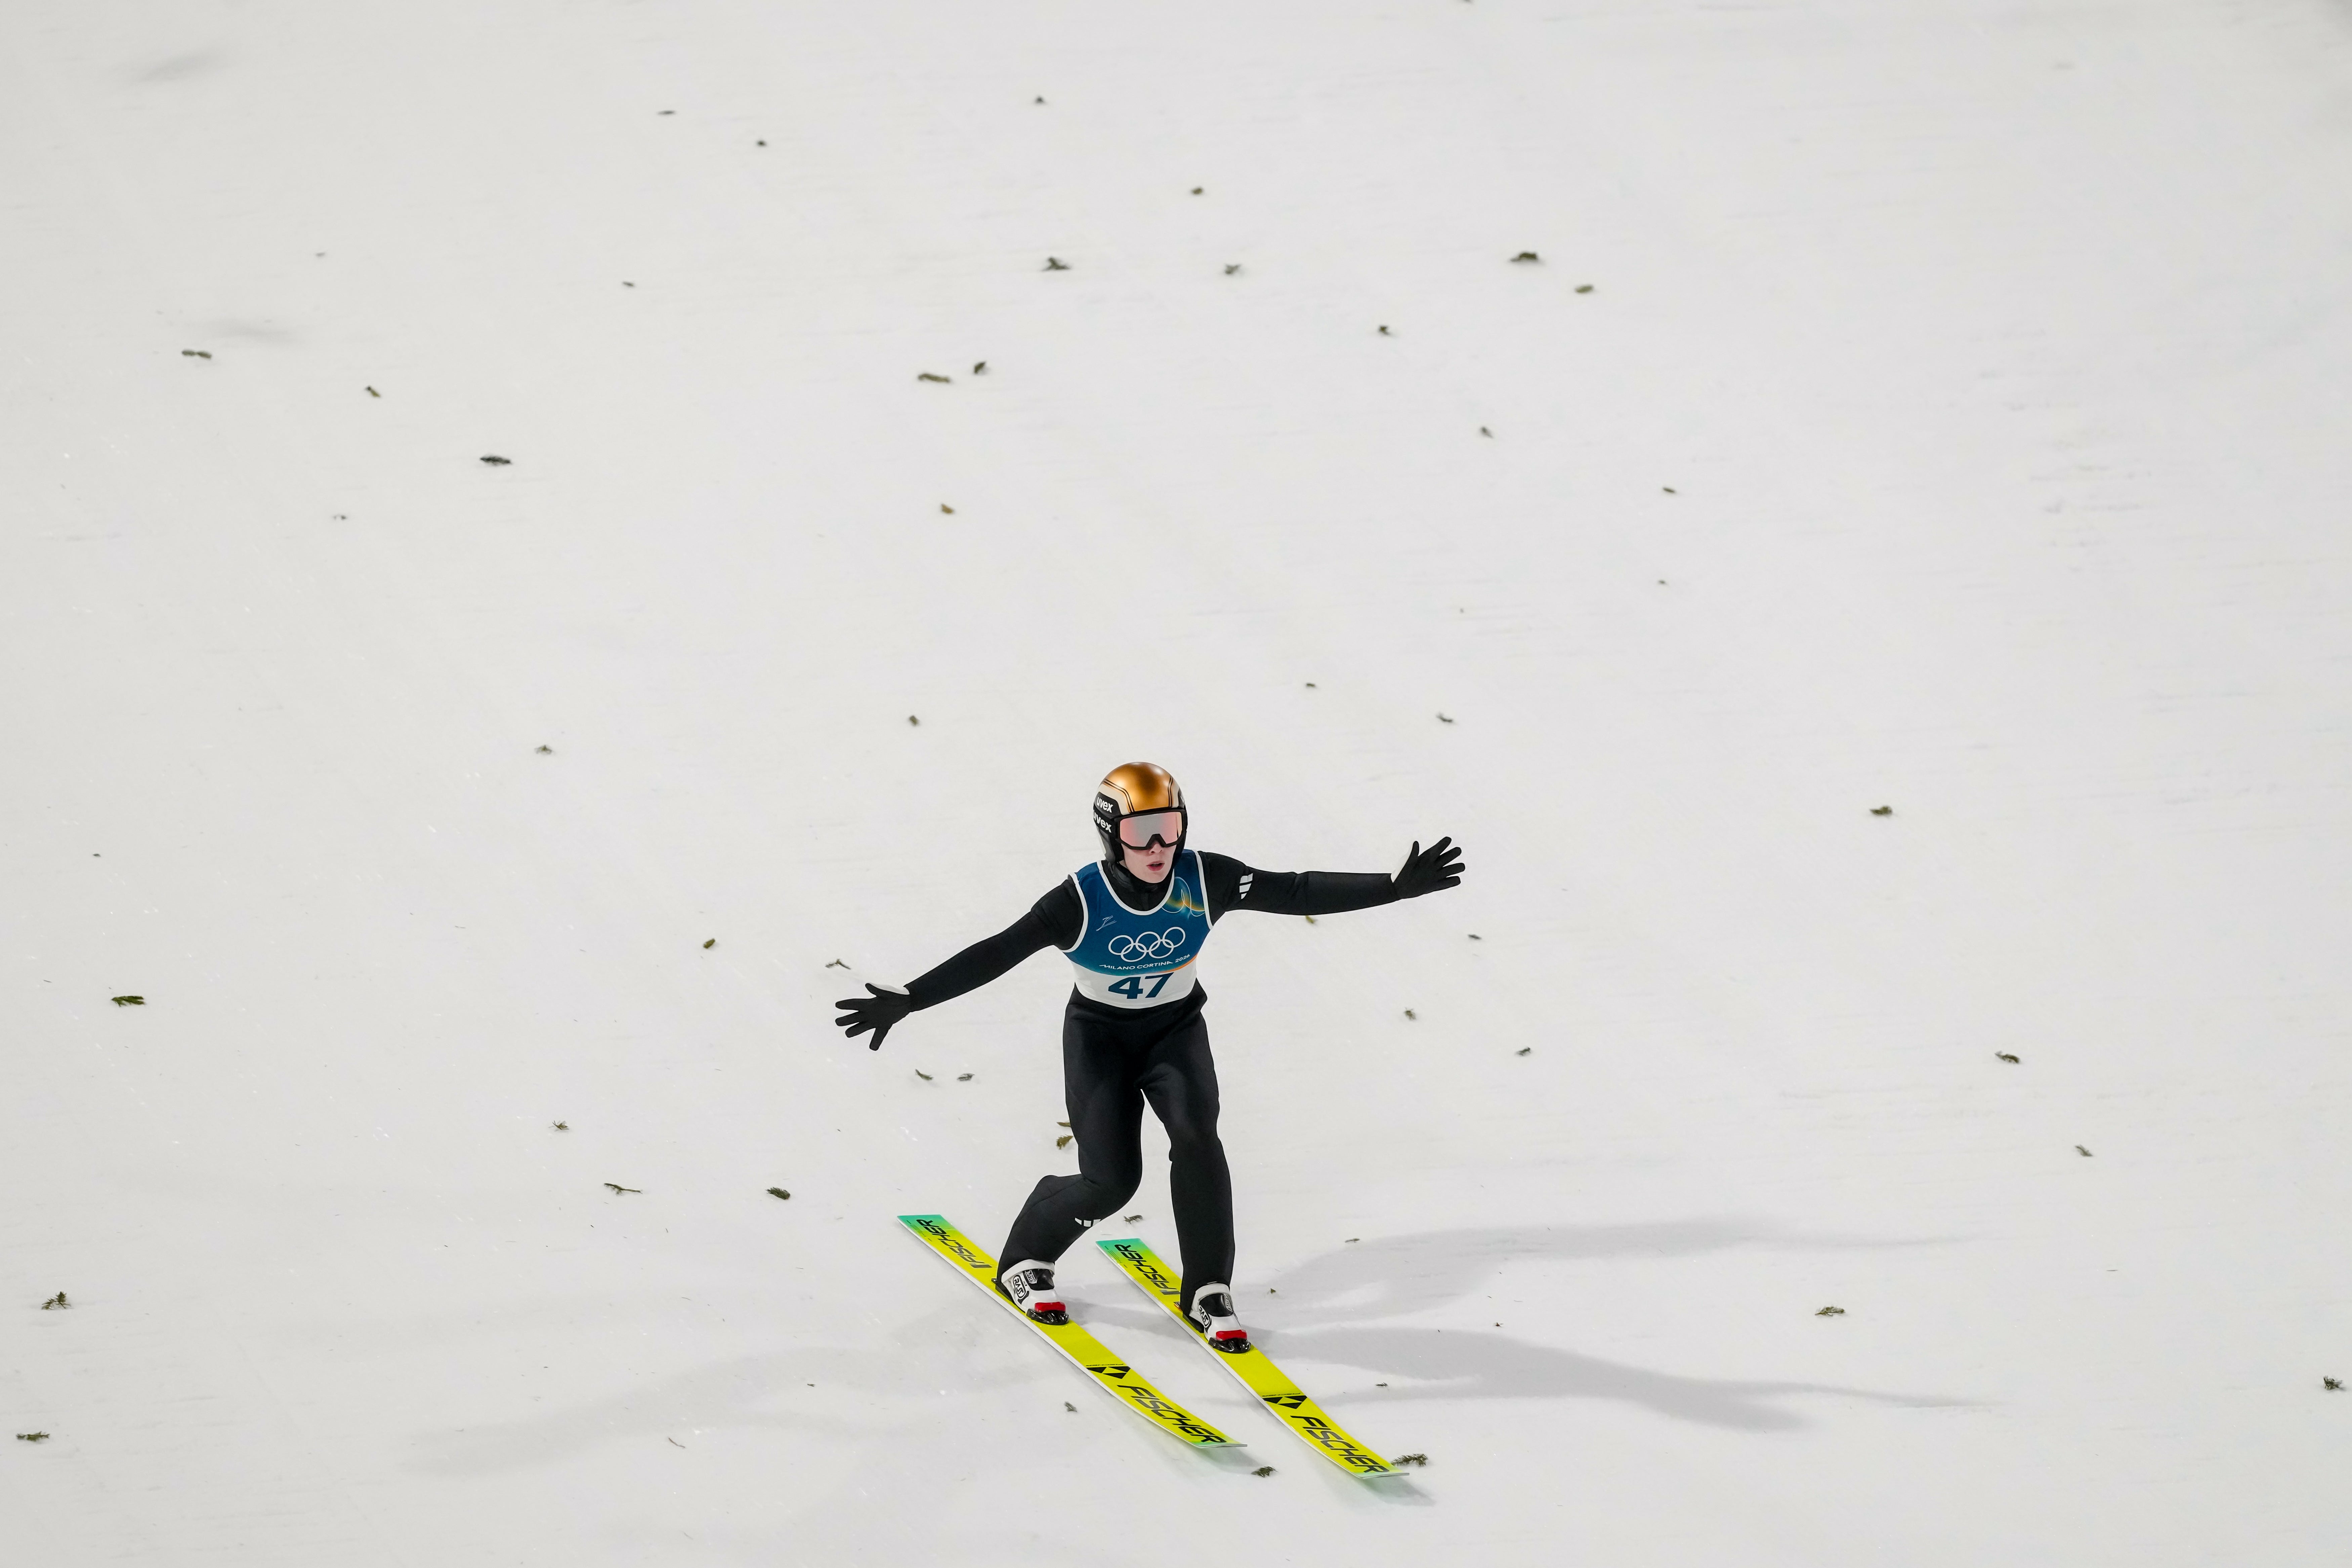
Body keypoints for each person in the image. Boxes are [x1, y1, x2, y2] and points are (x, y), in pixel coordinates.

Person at [835, 762, 1463, 1350]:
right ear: (1112, 837)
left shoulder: (1204, 877)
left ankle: (1209, 1288)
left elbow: (1293, 890)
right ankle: (1028, 1256)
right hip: (1100, 1041)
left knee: (1198, 1138)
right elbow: (999, 952)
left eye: (1171, 829)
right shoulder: (1078, 901)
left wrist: (1392, 888)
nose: (1160, 847)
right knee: (1112, 1180)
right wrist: (914, 998)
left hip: (1175, 1033)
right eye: (1142, 834)